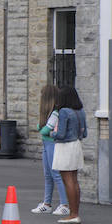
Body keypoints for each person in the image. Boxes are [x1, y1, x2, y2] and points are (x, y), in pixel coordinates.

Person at [51, 86, 88, 224]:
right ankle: (75, 212)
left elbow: (60, 134)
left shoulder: (64, 112)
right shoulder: (81, 112)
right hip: (77, 145)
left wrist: (51, 134)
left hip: (65, 147)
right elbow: (84, 134)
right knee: (74, 180)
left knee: (67, 181)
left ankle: (72, 215)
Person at [32, 85, 68, 216]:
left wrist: (42, 129)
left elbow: (44, 129)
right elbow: (42, 128)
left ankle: (64, 204)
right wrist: (42, 128)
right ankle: (47, 203)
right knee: (48, 175)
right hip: (46, 144)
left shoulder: (55, 113)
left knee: (56, 174)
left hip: (52, 145)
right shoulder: (50, 114)